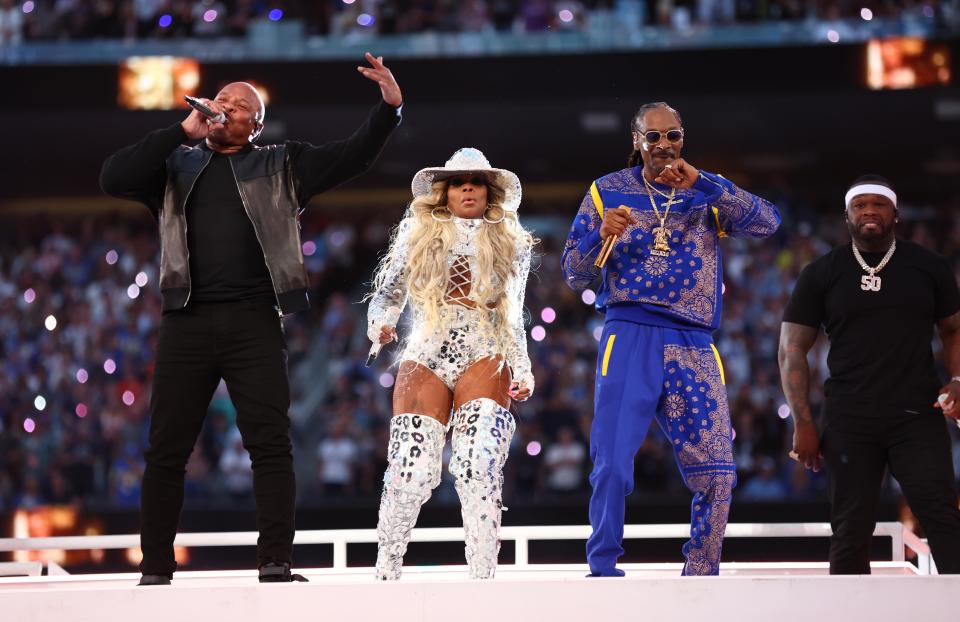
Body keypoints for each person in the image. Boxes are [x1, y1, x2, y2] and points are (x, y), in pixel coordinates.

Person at [99, 53, 403, 585]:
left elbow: (352, 157)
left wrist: (389, 108)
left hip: (254, 321)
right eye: (221, 99)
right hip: (185, 320)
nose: (225, 107)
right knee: (167, 447)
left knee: (269, 442)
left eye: (240, 105)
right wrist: (180, 131)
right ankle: (154, 568)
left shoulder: (281, 163)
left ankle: (275, 562)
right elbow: (112, 177)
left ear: (255, 125)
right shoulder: (176, 165)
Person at [560, 101, 780, 576]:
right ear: (636, 140)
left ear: (684, 138)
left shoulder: (707, 193)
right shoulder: (607, 191)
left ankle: (701, 574)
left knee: (718, 470)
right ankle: (602, 570)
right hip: (629, 334)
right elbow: (573, 275)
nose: (664, 146)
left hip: (694, 341)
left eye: (673, 135)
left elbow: (768, 222)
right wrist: (600, 235)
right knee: (612, 464)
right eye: (653, 136)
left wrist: (704, 183)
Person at [367, 147, 536, 580]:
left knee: (478, 464)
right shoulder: (417, 232)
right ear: (444, 191)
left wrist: (522, 365)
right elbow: (388, 292)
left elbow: (512, 312)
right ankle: (385, 574)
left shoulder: (509, 239)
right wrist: (381, 325)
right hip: (427, 348)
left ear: (488, 190)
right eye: (459, 181)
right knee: (410, 471)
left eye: (476, 181)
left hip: (484, 347)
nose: (467, 187)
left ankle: (482, 579)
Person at [778, 174, 960, 574]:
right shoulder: (822, 272)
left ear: (895, 214)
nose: (870, 212)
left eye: (879, 205)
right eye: (861, 206)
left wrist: (959, 381)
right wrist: (803, 422)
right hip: (849, 417)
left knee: (943, 518)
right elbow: (791, 350)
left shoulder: (928, 266)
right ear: (847, 217)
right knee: (850, 528)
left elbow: (953, 330)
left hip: (917, 414)